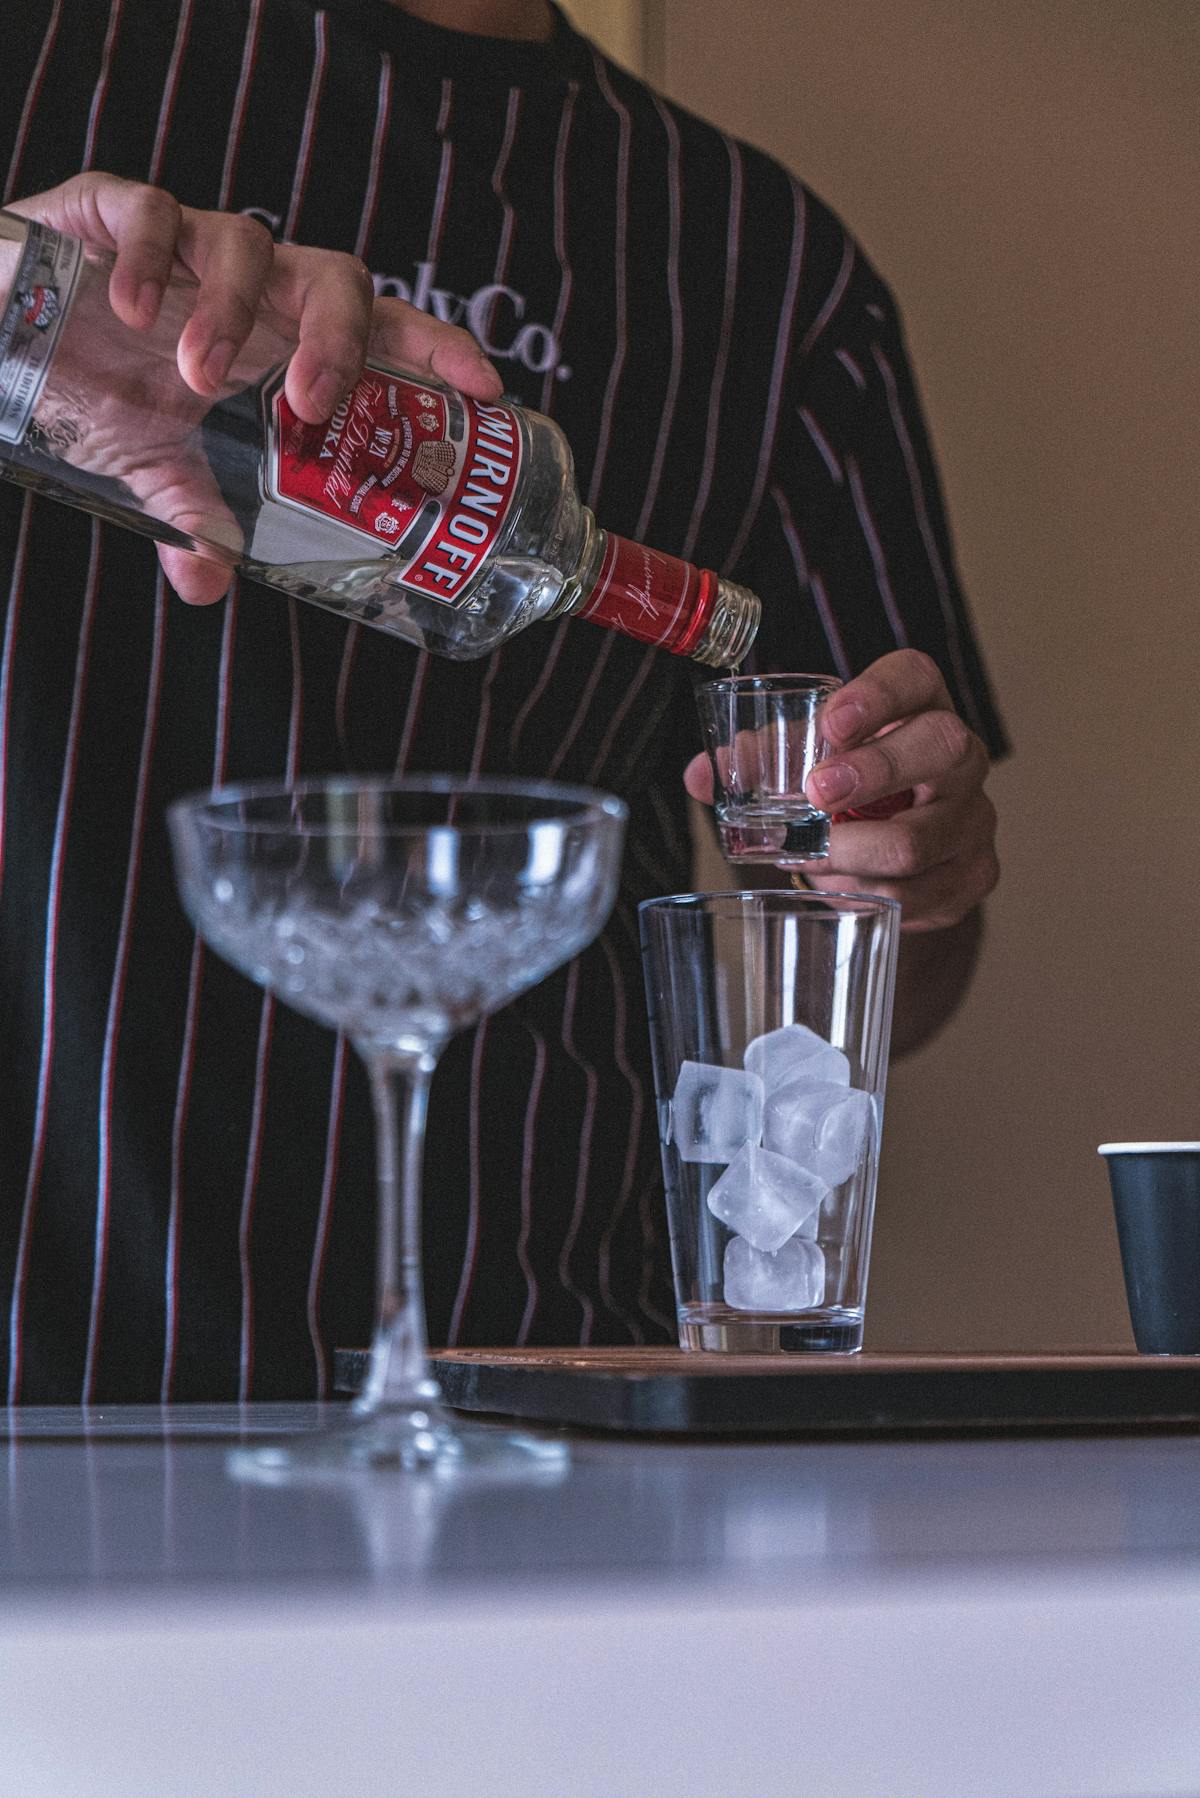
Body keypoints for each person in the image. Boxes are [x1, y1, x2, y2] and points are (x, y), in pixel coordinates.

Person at [0, 0, 1005, 1402]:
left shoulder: (768, 270)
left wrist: (911, 869)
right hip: (41, 1391)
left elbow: (877, 951)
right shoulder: (42, 61)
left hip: (540, 1398)